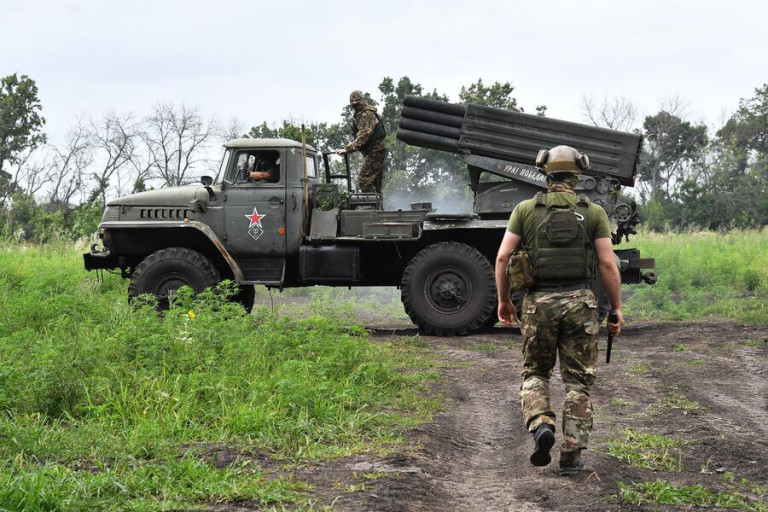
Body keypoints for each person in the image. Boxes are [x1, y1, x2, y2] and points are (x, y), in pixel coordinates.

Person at [494, 145, 623, 477]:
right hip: (580, 304)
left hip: (538, 305)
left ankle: (540, 425)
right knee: (577, 383)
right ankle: (571, 458)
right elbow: (608, 263)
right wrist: (616, 309)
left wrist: (505, 301)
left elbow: (503, 258)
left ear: (545, 173)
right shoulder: (593, 212)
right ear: (578, 175)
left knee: (535, 374)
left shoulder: (525, 209)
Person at [335, 90, 386, 193]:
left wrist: (348, 149)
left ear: (362, 100)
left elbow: (364, 135)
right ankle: (377, 206)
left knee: (364, 179)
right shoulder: (358, 115)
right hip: (372, 151)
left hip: (376, 150)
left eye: (357, 100)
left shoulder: (367, 114)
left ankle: (370, 207)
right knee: (374, 183)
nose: (354, 103)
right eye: (352, 101)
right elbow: (358, 135)